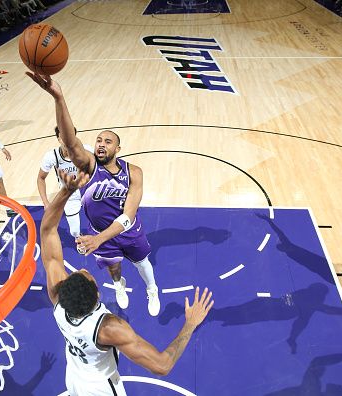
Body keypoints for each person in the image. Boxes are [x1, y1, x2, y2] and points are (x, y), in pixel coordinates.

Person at [40, 168, 214, 395]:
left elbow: (47, 229)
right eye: (87, 274)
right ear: (98, 295)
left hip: (74, 380)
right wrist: (190, 324)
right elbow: (162, 365)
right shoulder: (109, 328)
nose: (84, 268)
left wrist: (67, 191)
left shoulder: (58, 300)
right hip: (101, 390)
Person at [28, 72, 161, 316]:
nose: (101, 143)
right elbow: (70, 143)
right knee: (114, 268)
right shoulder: (89, 165)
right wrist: (59, 98)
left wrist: (99, 239)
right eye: (98, 140)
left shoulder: (134, 172)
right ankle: (120, 286)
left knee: (143, 264)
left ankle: (152, 289)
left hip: (129, 232)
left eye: (108, 141)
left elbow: (128, 216)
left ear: (118, 148)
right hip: (100, 234)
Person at [37, 126, 93, 238]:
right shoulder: (51, 157)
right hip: (69, 194)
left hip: (89, 190)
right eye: (63, 137)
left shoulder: (87, 150)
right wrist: (46, 202)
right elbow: (41, 179)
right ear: (58, 139)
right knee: (75, 231)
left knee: (103, 218)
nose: (66, 140)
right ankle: (79, 240)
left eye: (70, 137)